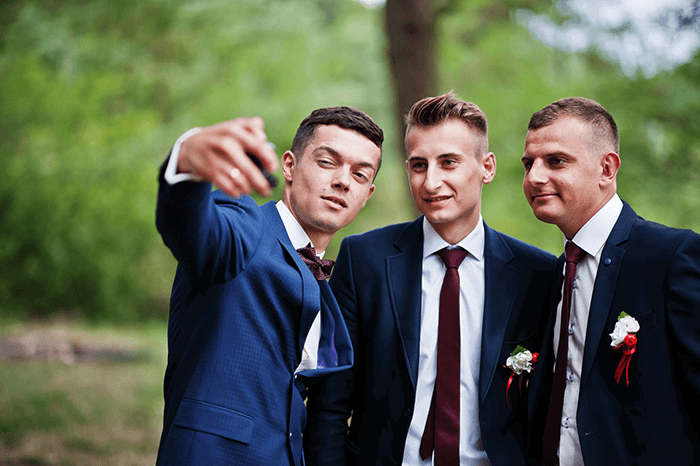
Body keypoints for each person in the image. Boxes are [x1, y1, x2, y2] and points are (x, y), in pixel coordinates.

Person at [304, 92, 557, 466]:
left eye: (449, 162)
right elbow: (330, 404)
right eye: (418, 165)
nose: (430, 181)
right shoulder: (365, 259)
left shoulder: (537, 273)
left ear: (487, 167)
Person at [154, 106, 384, 466]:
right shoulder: (243, 225)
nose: (343, 181)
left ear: (367, 194)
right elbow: (195, 231)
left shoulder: (327, 284)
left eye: (359, 174)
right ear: (289, 166)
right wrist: (186, 163)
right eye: (327, 162)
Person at [521, 97, 700, 466]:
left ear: (606, 168)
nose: (534, 177)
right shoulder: (553, 273)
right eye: (529, 163)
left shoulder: (670, 256)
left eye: (556, 161)